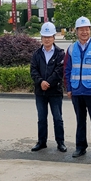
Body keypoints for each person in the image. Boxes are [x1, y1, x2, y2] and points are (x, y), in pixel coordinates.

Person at [63, 16, 91, 160]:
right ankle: (80, 147)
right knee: (80, 121)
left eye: (86, 29)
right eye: (81, 29)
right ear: (76, 31)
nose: (84, 32)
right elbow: (67, 69)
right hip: (76, 90)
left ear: (90, 30)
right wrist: (69, 88)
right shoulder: (71, 48)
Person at [30, 22, 66, 153]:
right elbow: (33, 71)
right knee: (41, 119)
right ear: (41, 38)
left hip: (55, 91)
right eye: (44, 37)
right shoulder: (36, 54)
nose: (47, 39)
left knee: (58, 118)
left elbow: (59, 71)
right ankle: (41, 142)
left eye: (49, 36)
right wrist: (41, 82)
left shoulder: (60, 53)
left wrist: (48, 82)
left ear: (54, 37)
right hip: (40, 92)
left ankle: (60, 142)